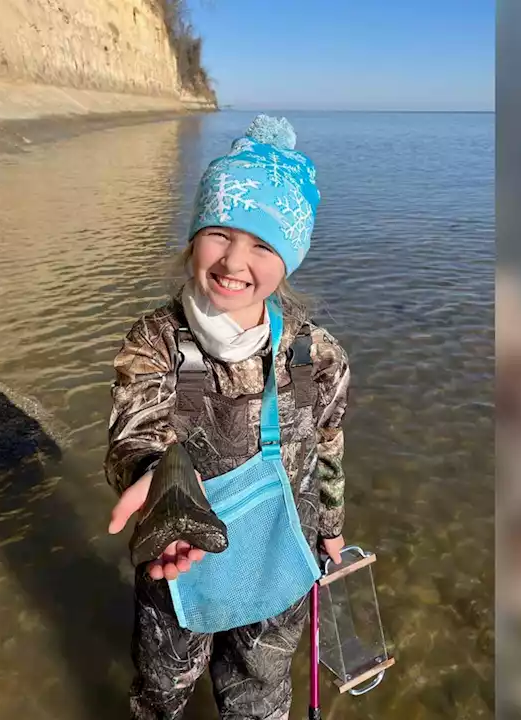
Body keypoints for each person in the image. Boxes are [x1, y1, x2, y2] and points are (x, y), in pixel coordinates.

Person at [104, 115, 351, 720]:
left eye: (263, 244)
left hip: (281, 553)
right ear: (193, 239)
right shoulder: (159, 341)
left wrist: (332, 527)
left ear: (288, 258)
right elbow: (136, 432)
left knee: (260, 687)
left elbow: (325, 443)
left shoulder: (313, 354)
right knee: (164, 686)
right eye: (219, 233)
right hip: (179, 548)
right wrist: (157, 480)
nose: (235, 260)